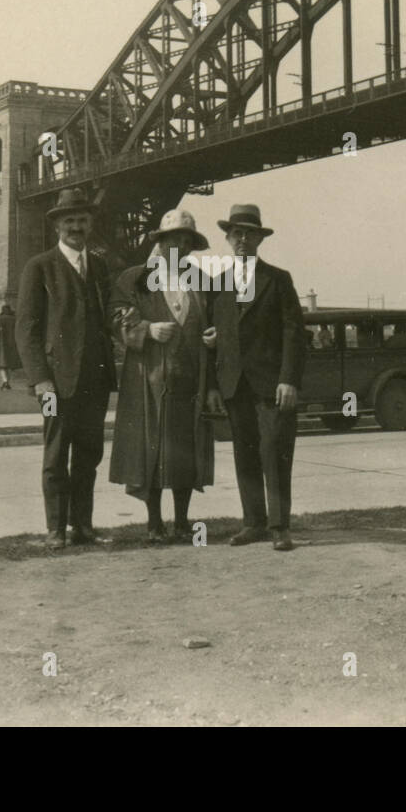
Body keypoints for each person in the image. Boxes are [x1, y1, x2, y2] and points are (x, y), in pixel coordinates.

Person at [15, 187, 117, 550]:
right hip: (54, 383)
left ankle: (83, 527)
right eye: (69, 220)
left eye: (82, 220)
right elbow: (25, 329)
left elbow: (110, 319)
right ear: (57, 226)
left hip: (95, 379)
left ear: (90, 224)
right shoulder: (39, 267)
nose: (76, 226)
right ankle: (56, 529)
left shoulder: (100, 266)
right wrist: (40, 379)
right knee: (56, 454)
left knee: (89, 455)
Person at [108, 209, 216, 544]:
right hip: (148, 381)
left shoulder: (203, 281)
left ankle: (182, 521)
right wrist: (147, 329)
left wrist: (216, 338)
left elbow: (217, 324)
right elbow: (113, 319)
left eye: (187, 242)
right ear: (161, 242)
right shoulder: (135, 279)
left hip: (190, 382)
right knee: (150, 452)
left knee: (185, 452)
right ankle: (154, 523)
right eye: (174, 241)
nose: (180, 248)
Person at [204, 203, 305, 552]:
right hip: (234, 384)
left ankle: (280, 527)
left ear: (260, 238)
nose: (242, 239)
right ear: (228, 239)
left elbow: (294, 333)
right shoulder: (216, 285)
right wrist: (213, 386)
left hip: (272, 384)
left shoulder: (279, 280)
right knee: (244, 453)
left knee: (275, 451)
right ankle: (253, 523)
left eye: (249, 233)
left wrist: (288, 379)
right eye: (236, 233)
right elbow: (210, 339)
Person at [0, 303, 22, 390]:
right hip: (13, 344)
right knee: (9, 364)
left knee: (2, 364)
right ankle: (7, 382)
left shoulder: (0, 319)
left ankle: (5, 381)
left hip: (3, 344)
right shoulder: (15, 319)